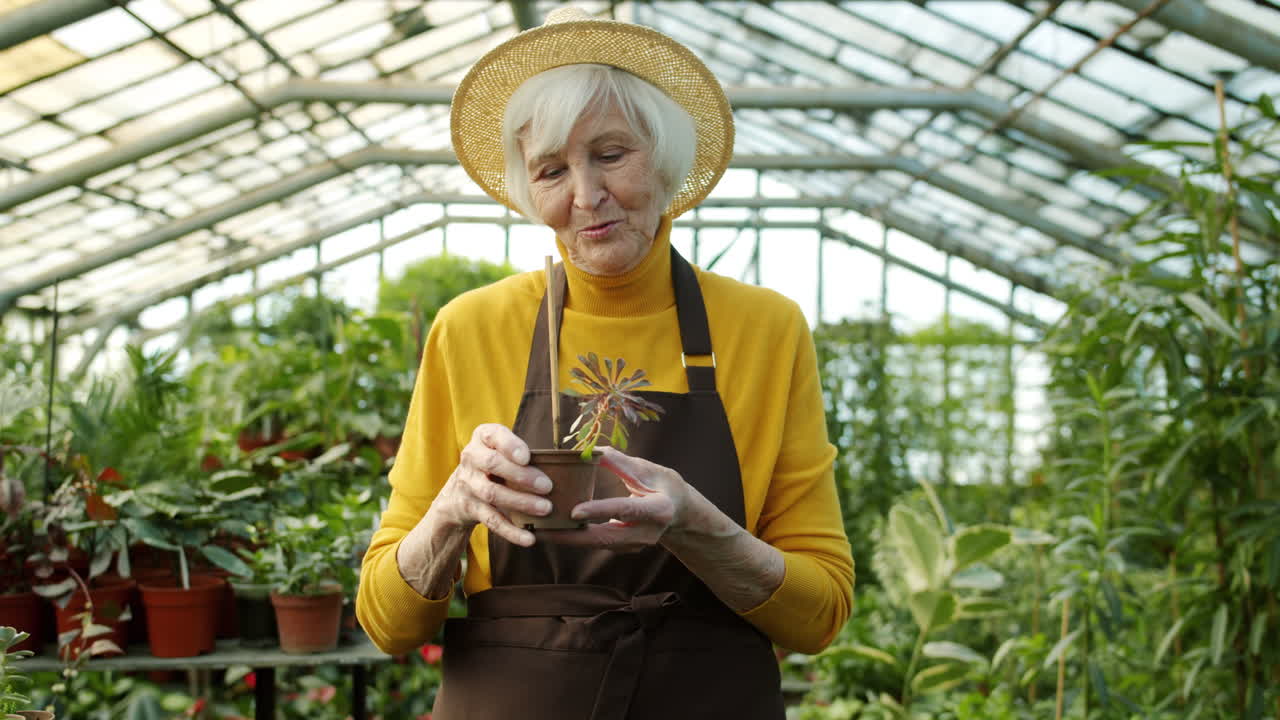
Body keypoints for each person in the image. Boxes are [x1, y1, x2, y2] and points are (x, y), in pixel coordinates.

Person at [356, 7, 853, 718]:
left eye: (612, 154)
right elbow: (387, 624)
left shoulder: (765, 329)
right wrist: (451, 514)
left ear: (667, 155)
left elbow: (822, 614)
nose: (586, 196)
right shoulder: (470, 329)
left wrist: (698, 528)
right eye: (552, 170)